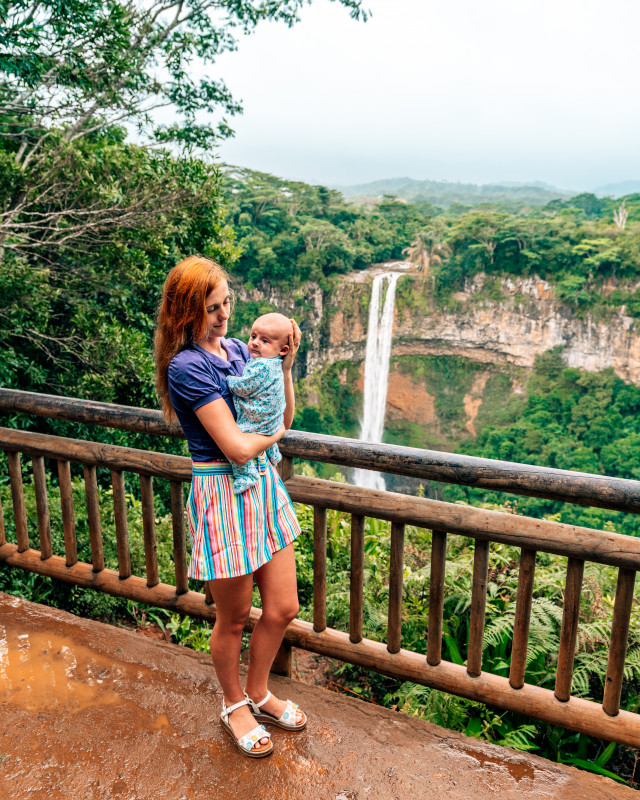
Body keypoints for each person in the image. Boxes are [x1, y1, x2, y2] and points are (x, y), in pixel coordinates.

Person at [154, 255, 306, 758]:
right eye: (212, 309)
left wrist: (285, 366)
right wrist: (278, 434)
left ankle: (259, 691)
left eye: (227, 304)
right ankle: (234, 702)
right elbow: (238, 446)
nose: (224, 318)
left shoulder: (242, 349)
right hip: (223, 493)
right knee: (234, 618)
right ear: (185, 313)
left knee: (283, 607)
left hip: (262, 488)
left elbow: (282, 409)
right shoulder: (186, 366)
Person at [226, 313, 293, 494]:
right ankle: (273, 452)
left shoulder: (261, 365)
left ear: (284, 350)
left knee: (236, 438)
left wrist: (230, 381)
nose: (255, 343)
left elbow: (245, 387)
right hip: (273, 419)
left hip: (258, 418)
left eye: (264, 341)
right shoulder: (276, 364)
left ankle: (247, 475)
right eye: (253, 336)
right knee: (265, 433)